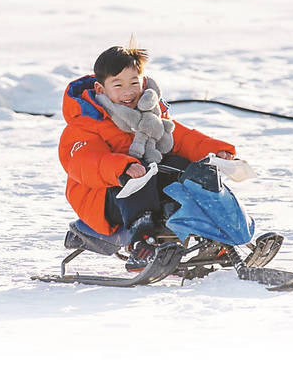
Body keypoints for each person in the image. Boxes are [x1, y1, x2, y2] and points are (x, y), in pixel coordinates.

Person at [58, 44, 236, 257]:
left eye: (134, 82)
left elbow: (182, 139)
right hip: (102, 197)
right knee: (141, 176)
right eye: (118, 85)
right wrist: (123, 167)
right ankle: (141, 244)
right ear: (100, 89)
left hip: (146, 182)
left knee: (183, 168)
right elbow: (84, 162)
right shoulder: (86, 122)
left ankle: (213, 236)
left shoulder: (149, 115)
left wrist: (216, 152)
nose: (128, 91)